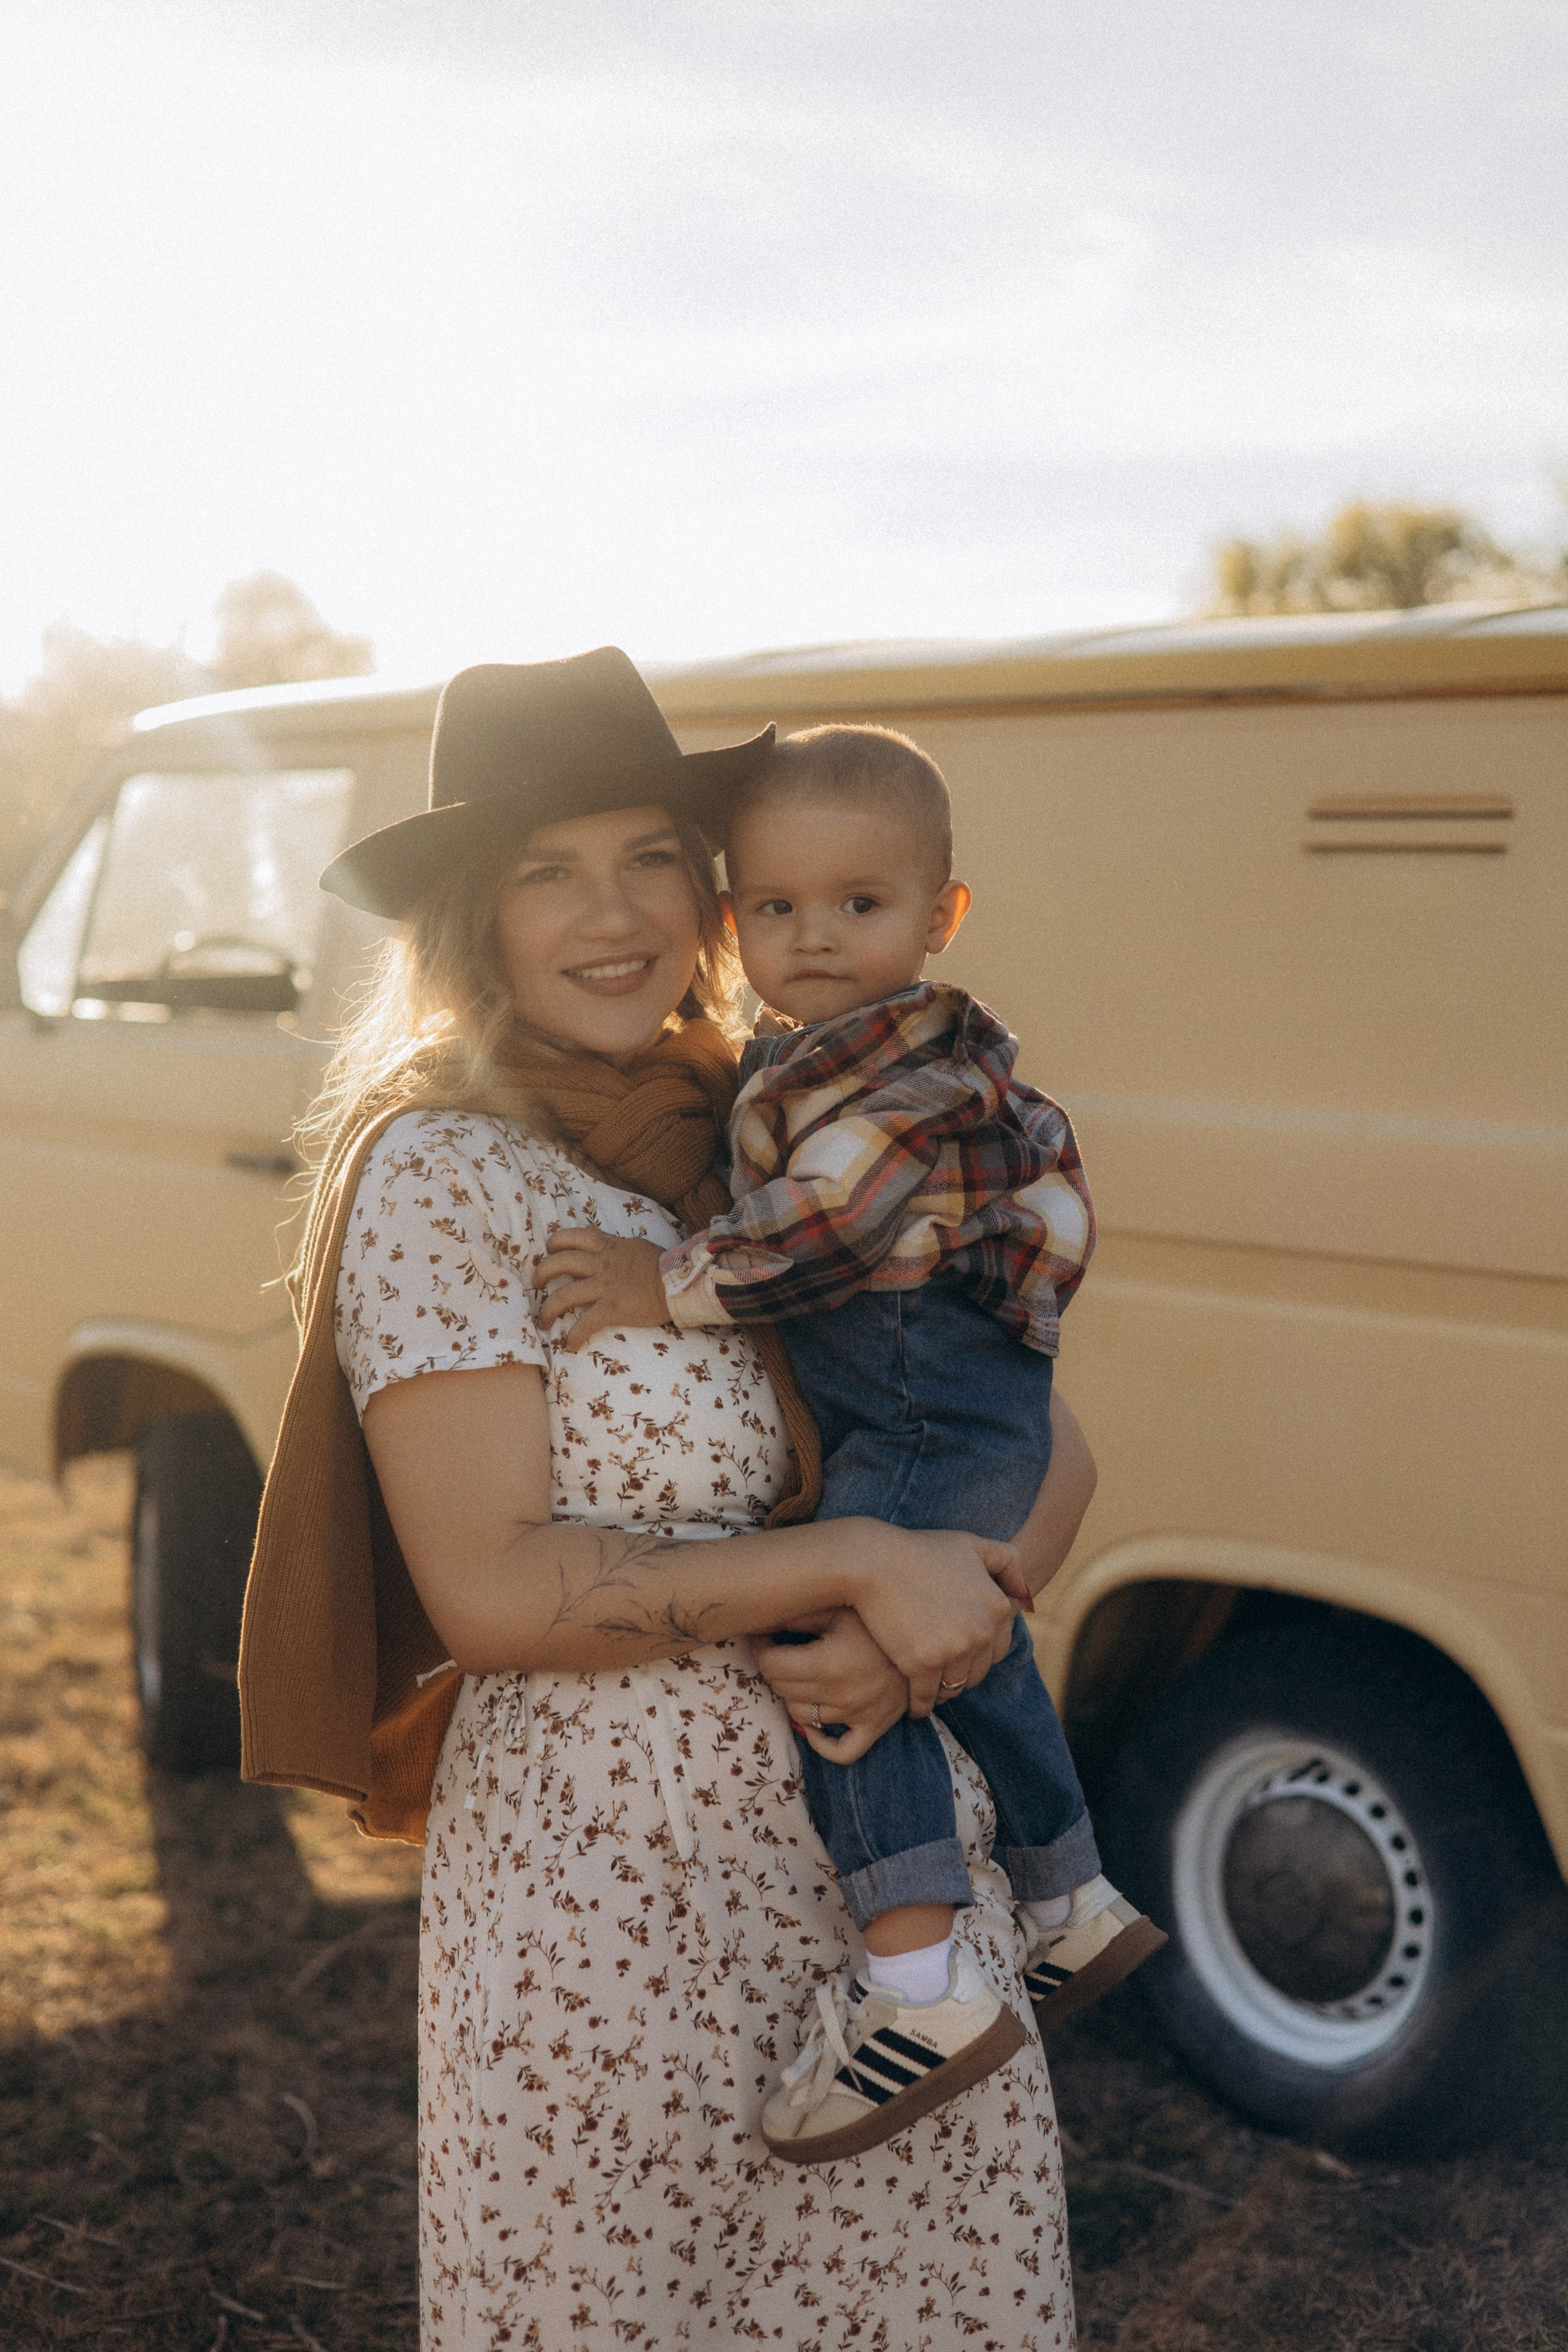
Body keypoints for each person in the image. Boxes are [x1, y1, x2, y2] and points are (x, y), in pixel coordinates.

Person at [238, 650, 1087, 2350]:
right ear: (472, 916)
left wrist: (947, 1617)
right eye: (547, 870)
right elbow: (492, 1590)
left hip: (888, 1892)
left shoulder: (786, 1122)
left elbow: (1042, 1438)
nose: (610, 913)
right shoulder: (444, 1172)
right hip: (614, 1900)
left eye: (647, 858)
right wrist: (859, 1559)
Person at [535, 721, 1164, 2162]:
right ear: (730, 912)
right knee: (972, 1639)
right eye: (772, 906)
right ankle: (1071, 1896)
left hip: (919, 1391)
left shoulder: (900, 1078)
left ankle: (913, 1980)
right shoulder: (843, 1052)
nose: (810, 937)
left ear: (941, 918)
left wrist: (660, 1286)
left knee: (838, 1638)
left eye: (858, 906)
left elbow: (821, 1229)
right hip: (955, 1390)